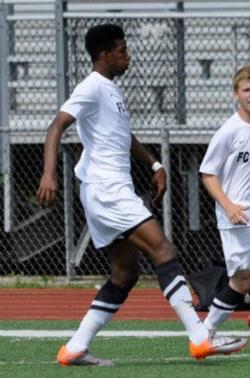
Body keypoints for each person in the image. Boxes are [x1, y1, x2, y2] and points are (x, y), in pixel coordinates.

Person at [36, 24, 246, 366]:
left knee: (124, 273)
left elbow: (123, 135)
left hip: (105, 189)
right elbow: (56, 125)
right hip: (108, 189)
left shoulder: (110, 90)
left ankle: (75, 347)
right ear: (105, 55)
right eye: (122, 50)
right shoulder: (92, 87)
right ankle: (199, 337)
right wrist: (48, 174)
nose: (127, 55)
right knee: (163, 249)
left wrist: (154, 165)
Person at [200, 64, 250, 335]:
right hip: (237, 215)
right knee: (242, 281)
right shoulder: (229, 131)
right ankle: (204, 333)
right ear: (236, 94)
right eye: (246, 90)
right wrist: (228, 205)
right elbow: (208, 174)